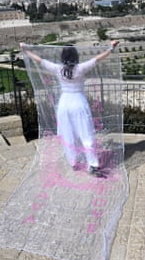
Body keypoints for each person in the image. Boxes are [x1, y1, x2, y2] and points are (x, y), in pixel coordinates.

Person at [21, 40, 120, 177]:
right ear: (75, 56)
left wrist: (26, 50)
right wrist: (111, 48)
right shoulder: (80, 68)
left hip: (64, 104)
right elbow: (97, 58)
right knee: (86, 134)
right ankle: (92, 164)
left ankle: (73, 161)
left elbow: (40, 60)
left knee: (68, 134)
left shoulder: (57, 69)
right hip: (79, 103)